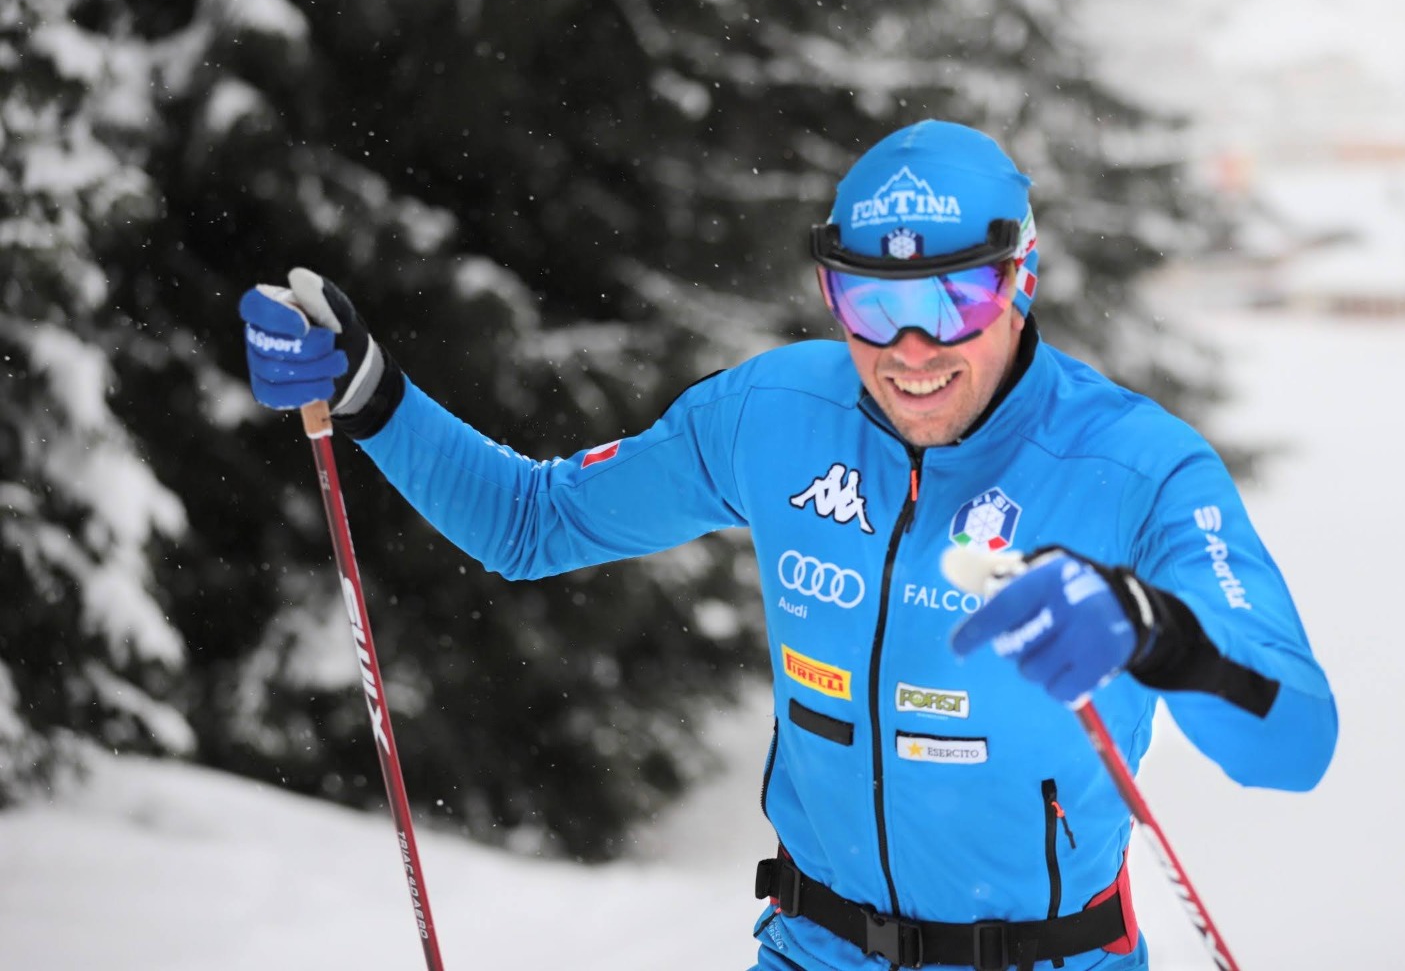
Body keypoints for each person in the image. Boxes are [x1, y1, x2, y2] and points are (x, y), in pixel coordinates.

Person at [239, 120, 1337, 971]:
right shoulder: (772, 417)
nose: (908, 348)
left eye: (952, 297)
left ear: (1019, 280)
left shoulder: (1135, 468)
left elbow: (1298, 742)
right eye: (868, 298)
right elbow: (535, 522)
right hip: (813, 947)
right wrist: (372, 395)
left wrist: (1156, 637)